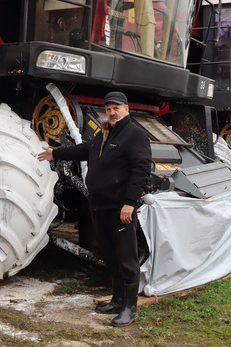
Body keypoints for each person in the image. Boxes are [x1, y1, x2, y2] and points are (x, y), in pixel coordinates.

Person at [38, 91, 152, 327]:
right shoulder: (104, 133)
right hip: (100, 205)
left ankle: (131, 308)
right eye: (108, 108)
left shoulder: (134, 135)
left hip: (120, 207)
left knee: (126, 257)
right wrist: (55, 153)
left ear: (126, 109)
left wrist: (129, 203)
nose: (112, 112)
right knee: (109, 254)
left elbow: (141, 171)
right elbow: (84, 150)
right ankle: (118, 299)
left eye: (116, 108)